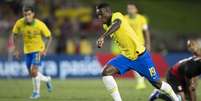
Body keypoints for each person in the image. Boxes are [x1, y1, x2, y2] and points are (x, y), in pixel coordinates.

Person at [96, 3, 179, 101]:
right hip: (126, 57)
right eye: (98, 15)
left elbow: (117, 24)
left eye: (101, 14)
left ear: (108, 11)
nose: (99, 17)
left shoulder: (117, 15)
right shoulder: (106, 25)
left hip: (140, 56)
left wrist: (103, 36)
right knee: (105, 72)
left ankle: (176, 99)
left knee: (157, 83)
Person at [10, 5, 53, 99]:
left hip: (38, 50)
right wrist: (16, 49)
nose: (27, 17)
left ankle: (36, 93)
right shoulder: (19, 23)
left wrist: (45, 50)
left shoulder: (40, 24)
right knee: (32, 74)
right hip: (27, 51)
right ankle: (47, 79)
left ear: (33, 14)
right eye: (25, 15)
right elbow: (15, 35)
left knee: (34, 71)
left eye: (29, 14)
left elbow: (49, 37)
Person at [125, 3, 151, 89]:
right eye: (128, 8)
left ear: (136, 10)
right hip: (129, 45)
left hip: (140, 43)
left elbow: (146, 31)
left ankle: (142, 82)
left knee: (141, 63)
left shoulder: (142, 19)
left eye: (132, 8)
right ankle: (140, 82)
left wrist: (148, 43)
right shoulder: (124, 19)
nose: (130, 10)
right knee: (136, 63)